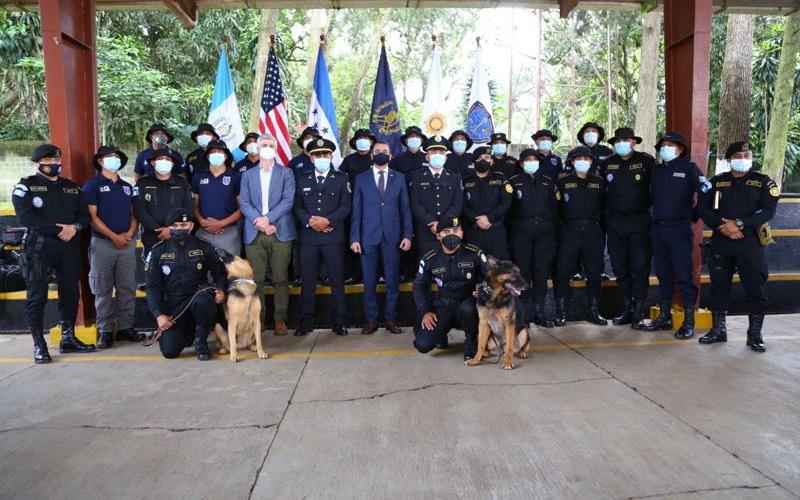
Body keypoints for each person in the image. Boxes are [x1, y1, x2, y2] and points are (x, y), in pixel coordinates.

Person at [12, 144, 94, 363]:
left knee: (70, 293)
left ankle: (68, 337)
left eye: (58, 161)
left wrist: (74, 228)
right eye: (49, 161)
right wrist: (60, 229)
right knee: (37, 296)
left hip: (68, 246)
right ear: (38, 163)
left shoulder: (72, 188)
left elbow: (84, 217)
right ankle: (39, 344)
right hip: (39, 247)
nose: (55, 164)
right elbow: (27, 219)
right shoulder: (26, 187)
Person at [696, 142, 779, 352]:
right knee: (718, 288)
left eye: (747, 154)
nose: (743, 158)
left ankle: (754, 335)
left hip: (749, 241)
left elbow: (768, 210)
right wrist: (722, 225)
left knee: (756, 288)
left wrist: (740, 224)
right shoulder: (717, 182)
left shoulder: (762, 182)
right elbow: (702, 208)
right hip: (721, 241)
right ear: (729, 159)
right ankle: (718, 330)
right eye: (738, 155)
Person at [645, 132, 709, 339]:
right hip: (658, 230)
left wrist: (694, 214)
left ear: (680, 149)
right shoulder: (656, 171)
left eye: (671, 145)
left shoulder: (688, 168)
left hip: (679, 230)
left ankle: (688, 322)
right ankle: (664, 316)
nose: (666, 148)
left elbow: (706, 191)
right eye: (663, 145)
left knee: (683, 275)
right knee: (663, 274)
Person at [144, 208, 226, 360]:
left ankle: (201, 342)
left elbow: (219, 272)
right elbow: (152, 286)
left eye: (183, 225)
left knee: (203, 301)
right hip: (175, 305)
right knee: (169, 352)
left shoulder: (204, 246)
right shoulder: (158, 251)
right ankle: (188, 334)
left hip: (199, 297)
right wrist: (159, 315)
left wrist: (220, 290)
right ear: (169, 227)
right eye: (174, 225)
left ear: (191, 226)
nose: (179, 229)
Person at [350, 140, 413, 335]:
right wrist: (355, 238)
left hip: (392, 237)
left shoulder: (400, 178)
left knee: (392, 281)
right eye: (377, 151)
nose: (381, 154)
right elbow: (356, 210)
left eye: (384, 151)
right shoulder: (361, 178)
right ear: (371, 155)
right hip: (368, 237)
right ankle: (371, 320)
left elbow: (405, 209)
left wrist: (407, 235)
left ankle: (391, 319)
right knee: (369, 281)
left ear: (390, 155)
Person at [83, 145, 143, 349]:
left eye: (116, 157)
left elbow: (135, 215)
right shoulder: (92, 186)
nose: (113, 160)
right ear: (100, 161)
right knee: (102, 288)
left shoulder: (127, 187)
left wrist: (128, 234)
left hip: (126, 243)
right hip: (103, 244)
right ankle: (106, 330)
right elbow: (92, 217)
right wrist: (113, 236)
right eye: (109, 157)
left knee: (127, 286)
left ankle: (126, 327)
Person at [293, 138, 352, 337]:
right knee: (308, 282)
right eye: (317, 155)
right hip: (309, 238)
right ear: (311, 157)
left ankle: (339, 321)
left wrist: (327, 221)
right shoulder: (303, 178)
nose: (321, 158)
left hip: (333, 238)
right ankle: (305, 322)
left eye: (325, 155)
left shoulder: (342, 178)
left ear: (331, 156)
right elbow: (297, 207)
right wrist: (311, 221)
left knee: (336, 281)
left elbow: (346, 206)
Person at [239, 133, 296, 336]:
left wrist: (269, 220)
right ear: (257, 146)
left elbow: (288, 201)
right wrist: (260, 221)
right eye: (264, 144)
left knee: (281, 278)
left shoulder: (286, 173)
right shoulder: (247, 175)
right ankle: (259, 320)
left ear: (276, 147)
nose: (267, 147)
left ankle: (280, 319)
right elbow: (244, 202)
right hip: (254, 232)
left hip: (279, 231)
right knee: (257, 280)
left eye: (271, 144)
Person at [600, 127, 655, 330]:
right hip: (615, 223)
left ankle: (639, 312)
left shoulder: (646, 161)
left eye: (626, 139)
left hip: (639, 222)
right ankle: (627, 309)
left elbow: (656, 190)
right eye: (618, 140)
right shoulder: (607, 163)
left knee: (640, 268)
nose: (622, 143)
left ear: (634, 141)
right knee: (620, 268)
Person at [412, 216, 486, 361]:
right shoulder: (430, 258)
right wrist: (426, 311)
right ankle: (441, 334)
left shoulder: (475, 253)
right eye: (446, 232)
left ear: (462, 233)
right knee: (422, 344)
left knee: (469, 309)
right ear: (438, 235)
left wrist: (483, 289)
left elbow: (491, 277)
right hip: (443, 306)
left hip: (468, 304)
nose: (452, 235)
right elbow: (419, 286)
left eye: (456, 230)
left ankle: (472, 343)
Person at [554, 147, 607, 326]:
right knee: (562, 272)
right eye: (579, 159)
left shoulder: (599, 182)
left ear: (592, 162)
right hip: (569, 231)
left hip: (592, 231)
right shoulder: (563, 183)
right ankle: (561, 312)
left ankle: (593, 310)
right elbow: (556, 209)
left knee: (594, 273)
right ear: (572, 162)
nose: (582, 161)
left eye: (586, 158)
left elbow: (605, 207)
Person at [508, 148, 559, 327]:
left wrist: (553, 234)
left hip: (544, 233)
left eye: (534, 160)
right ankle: (524, 313)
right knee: (523, 273)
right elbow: (508, 211)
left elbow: (555, 211)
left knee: (541, 271)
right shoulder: (513, 183)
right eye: (527, 160)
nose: (532, 163)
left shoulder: (547, 182)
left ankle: (539, 311)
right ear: (521, 163)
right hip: (521, 232)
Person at [133, 148, 194, 257]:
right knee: (152, 271)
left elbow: (188, 209)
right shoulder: (142, 183)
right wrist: (158, 230)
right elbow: (139, 210)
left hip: (178, 236)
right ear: (153, 162)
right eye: (160, 158)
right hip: (152, 237)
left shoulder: (182, 183)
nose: (164, 161)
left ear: (172, 164)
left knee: (178, 271)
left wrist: (171, 230)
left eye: (167, 159)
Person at [409, 135, 463, 257]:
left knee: (448, 261)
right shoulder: (417, 176)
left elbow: (457, 204)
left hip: (449, 229)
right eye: (434, 152)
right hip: (425, 229)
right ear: (427, 156)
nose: (438, 155)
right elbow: (416, 203)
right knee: (426, 260)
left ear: (445, 157)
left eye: (441, 152)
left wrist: (442, 224)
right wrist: (431, 222)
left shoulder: (454, 177)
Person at [191, 140, 242, 256]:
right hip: (204, 231)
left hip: (229, 232)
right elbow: (194, 206)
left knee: (231, 271)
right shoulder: (199, 176)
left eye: (219, 151)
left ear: (225, 155)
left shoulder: (235, 177)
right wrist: (201, 220)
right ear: (208, 156)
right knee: (203, 270)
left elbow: (241, 208)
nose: (216, 154)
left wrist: (221, 223)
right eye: (213, 152)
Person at [338, 128, 376, 283]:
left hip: (373, 207)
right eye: (360, 138)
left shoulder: (376, 159)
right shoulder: (349, 160)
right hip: (352, 207)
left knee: (372, 240)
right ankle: (353, 273)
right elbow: (340, 179)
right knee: (353, 240)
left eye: (366, 138)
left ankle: (375, 273)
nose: (363, 141)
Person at [462, 145, 512, 260]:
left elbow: (506, 202)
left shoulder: (500, 178)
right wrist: (476, 219)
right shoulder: (466, 181)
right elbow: (463, 205)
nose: (483, 160)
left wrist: (489, 217)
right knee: (475, 267)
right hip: (474, 230)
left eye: (487, 157)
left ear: (491, 161)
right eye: (479, 158)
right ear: (474, 161)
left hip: (496, 230)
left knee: (497, 269)